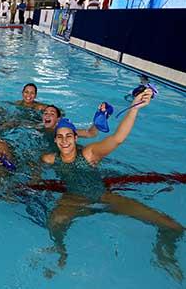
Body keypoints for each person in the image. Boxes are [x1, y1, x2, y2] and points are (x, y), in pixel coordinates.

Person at [41, 89, 184, 280]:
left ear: (76, 138)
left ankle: (164, 254)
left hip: (103, 197)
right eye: (60, 137)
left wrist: (135, 108)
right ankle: (60, 251)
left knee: (173, 226)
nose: (65, 140)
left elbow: (117, 139)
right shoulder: (50, 158)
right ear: (55, 140)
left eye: (69, 136)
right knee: (54, 224)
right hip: (72, 199)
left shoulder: (89, 153)